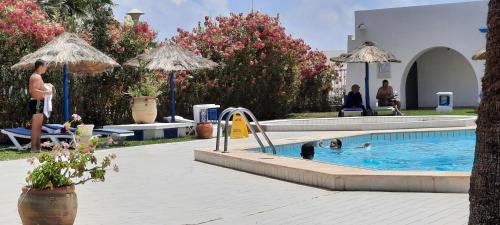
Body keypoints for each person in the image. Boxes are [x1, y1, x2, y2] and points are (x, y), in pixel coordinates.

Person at [29, 60, 52, 152]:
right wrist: (46, 92)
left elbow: (38, 88)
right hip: (37, 102)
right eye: (45, 66)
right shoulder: (35, 77)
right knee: (36, 126)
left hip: (39, 102)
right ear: (40, 66)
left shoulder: (37, 76)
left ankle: (37, 147)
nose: (46, 68)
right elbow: (33, 91)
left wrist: (46, 87)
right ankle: (34, 147)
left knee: (38, 127)